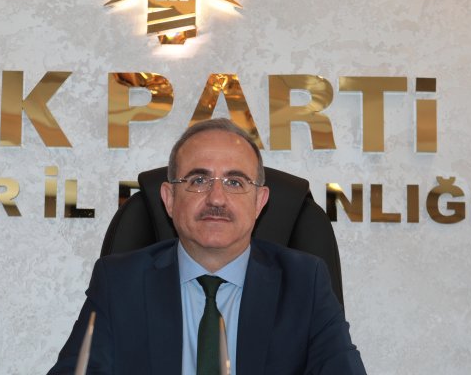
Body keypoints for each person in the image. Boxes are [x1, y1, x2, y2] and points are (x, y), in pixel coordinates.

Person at [47, 119, 366, 375]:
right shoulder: (120, 282)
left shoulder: (305, 283)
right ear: (169, 199)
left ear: (260, 201)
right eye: (198, 180)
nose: (216, 198)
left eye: (235, 182)